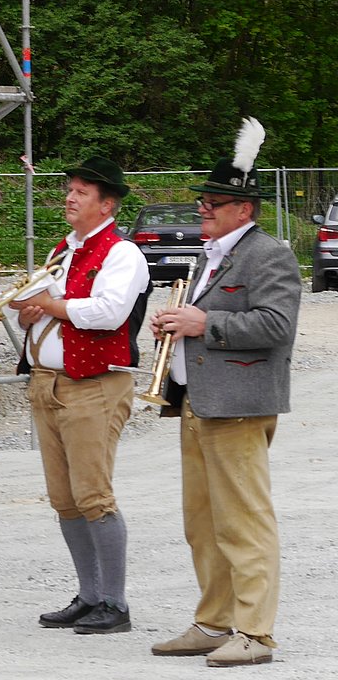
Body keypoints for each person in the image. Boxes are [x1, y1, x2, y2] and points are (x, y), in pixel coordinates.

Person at [147, 120, 298, 667]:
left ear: (245, 210)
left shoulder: (269, 254)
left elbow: (277, 326)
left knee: (243, 521)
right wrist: (175, 324)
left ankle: (255, 633)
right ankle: (214, 622)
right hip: (198, 402)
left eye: (216, 201)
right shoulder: (211, 253)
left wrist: (201, 322)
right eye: (206, 200)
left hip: (238, 406)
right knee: (203, 523)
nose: (204, 207)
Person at [10, 156, 150, 635]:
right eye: (70, 189)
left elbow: (109, 312)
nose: (70, 196)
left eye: (81, 192)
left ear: (106, 204)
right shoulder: (64, 250)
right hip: (49, 382)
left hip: (94, 386)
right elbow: (45, 307)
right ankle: (90, 596)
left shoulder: (122, 253)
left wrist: (49, 304)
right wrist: (28, 314)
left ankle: (115, 601)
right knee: (64, 498)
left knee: (94, 495)